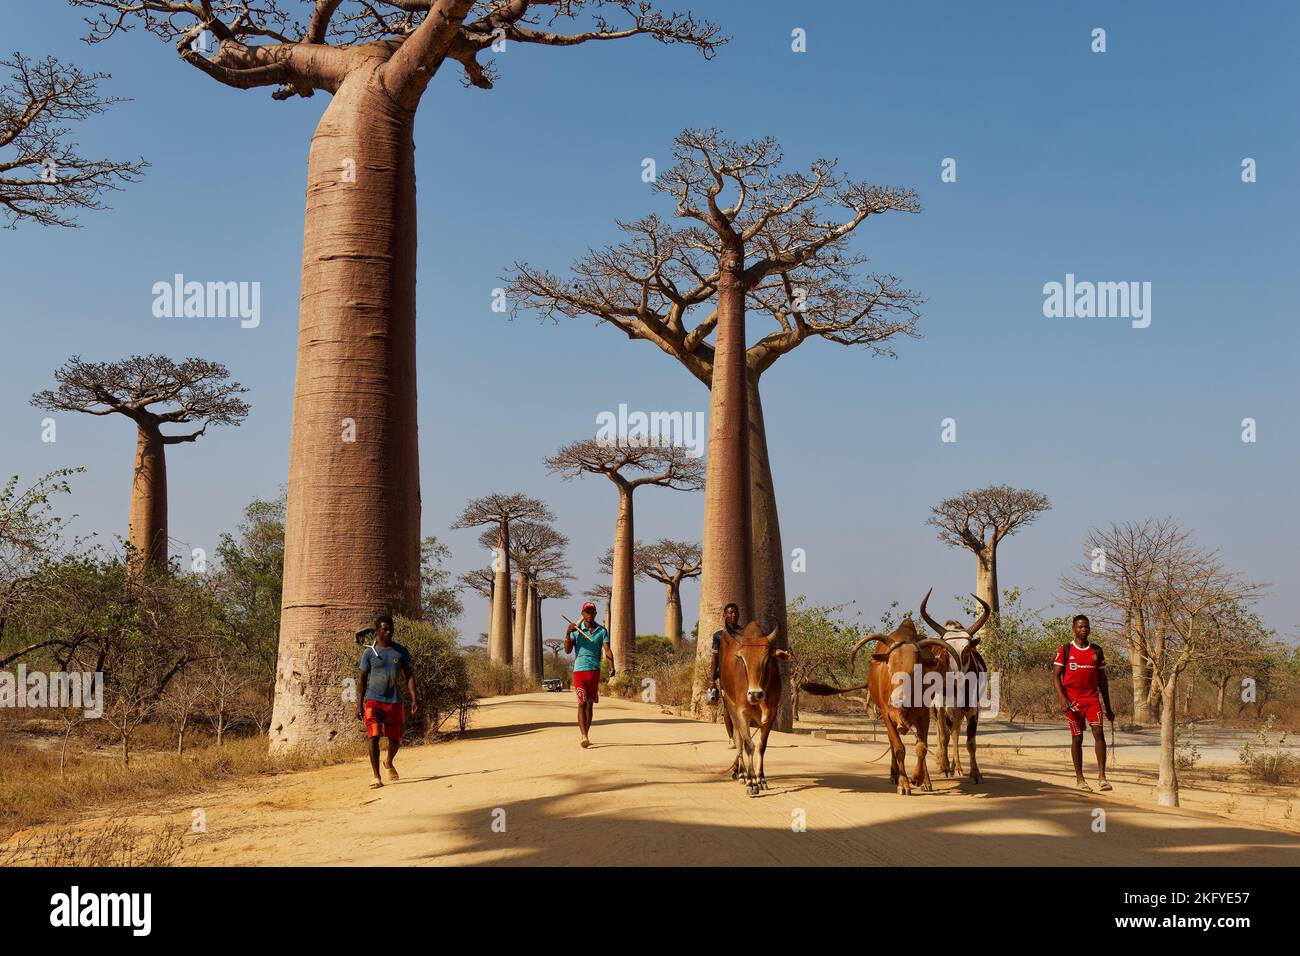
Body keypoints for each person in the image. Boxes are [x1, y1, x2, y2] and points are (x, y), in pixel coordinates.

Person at [1052, 614, 1114, 791]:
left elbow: (1103, 681)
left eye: (1086, 626)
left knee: (1099, 733)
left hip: (1092, 699)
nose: (1084, 629)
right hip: (1073, 701)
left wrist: (1108, 707)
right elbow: (1056, 676)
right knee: (1077, 737)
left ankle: (1102, 777)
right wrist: (1063, 699)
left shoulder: (1096, 651)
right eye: (1080, 627)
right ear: (1073, 628)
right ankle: (1080, 779)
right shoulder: (1065, 650)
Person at [355, 612, 418, 789]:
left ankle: (388, 761)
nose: (388, 633)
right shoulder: (369, 653)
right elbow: (361, 679)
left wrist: (414, 698)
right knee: (373, 736)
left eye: (391, 630)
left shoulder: (401, 651)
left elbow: (409, 676)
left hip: (394, 701)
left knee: (395, 739)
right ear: (378, 631)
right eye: (385, 630)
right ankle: (376, 776)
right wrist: (359, 704)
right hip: (373, 701)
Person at [565, 601, 615, 748]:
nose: (589, 614)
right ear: (582, 614)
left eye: (592, 611)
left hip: (594, 670)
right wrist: (567, 633)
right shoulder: (575, 630)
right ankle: (583, 735)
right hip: (579, 670)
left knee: (590, 705)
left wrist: (612, 665)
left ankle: (586, 734)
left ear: (595, 613)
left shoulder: (602, 631)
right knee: (581, 702)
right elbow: (567, 650)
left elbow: (607, 650)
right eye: (587, 612)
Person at [710, 602, 740, 744]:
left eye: (736, 612)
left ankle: (740, 734)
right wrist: (712, 680)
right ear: (725, 615)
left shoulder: (744, 633)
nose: (734, 615)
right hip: (725, 676)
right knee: (728, 706)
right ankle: (731, 737)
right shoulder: (719, 636)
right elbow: (714, 658)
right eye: (730, 612)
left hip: (741, 676)